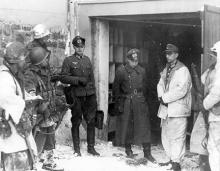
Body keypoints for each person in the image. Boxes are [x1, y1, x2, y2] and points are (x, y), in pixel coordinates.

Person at [24, 25, 67, 171]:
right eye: (46, 37)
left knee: (49, 132)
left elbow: (48, 76)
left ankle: (48, 161)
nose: (48, 39)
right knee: (38, 135)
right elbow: (31, 91)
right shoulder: (33, 55)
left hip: (48, 105)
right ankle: (33, 163)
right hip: (38, 108)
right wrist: (40, 106)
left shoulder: (43, 64)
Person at [51, 35, 100, 157]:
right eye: (77, 47)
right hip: (76, 95)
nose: (80, 49)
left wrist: (94, 94)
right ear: (74, 47)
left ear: (84, 47)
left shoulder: (87, 60)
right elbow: (63, 77)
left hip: (89, 95)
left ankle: (91, 148)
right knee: (76, 121)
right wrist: (78, 80)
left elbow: (92, 78)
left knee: (91, 121)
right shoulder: (68, 60)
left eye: (82, 47)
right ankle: (77, 149)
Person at [112, 48, 156, 163]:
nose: (134, 63)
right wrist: (118, 104)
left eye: (136, 61)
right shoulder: (121, 71)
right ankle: (128, 150)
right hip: (127, 101)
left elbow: (146, 87)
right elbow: (116, 89)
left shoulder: (142, 70)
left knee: (144, 126)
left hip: (140, 101)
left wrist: (145, 101)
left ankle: (147, 152)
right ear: (128, 60)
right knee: (128, 126)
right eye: (132, 61)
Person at [0, 41, 37, 170]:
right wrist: (23, 104)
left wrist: (28, 98)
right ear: (16, 61)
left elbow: (16, 93)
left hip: (18, 140)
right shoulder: (5, 76)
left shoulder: (12, 75)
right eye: (24, 59)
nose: (26, 63)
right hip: (13, 141)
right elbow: (5, 97)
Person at [157, 44, 192, 171]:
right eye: (166, 53)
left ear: (176, 54)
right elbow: (160, 84)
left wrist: (165, 98)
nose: (168, 56)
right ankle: (171, 159)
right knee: (166, 134)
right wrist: (161, 96)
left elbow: (181, 90)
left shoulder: (183, 70)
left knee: (178, 136)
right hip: (166, 108)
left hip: (178, 109)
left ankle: (176, 162)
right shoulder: (167, 69)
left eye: (170, 53)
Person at [201, 41, 220, 171]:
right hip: (215, 115)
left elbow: (216, 94)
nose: (212, 56)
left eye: (214, 54)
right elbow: (203, 80)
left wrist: (204, 104)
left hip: (217, 114)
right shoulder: (214, 69)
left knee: (214, 148)